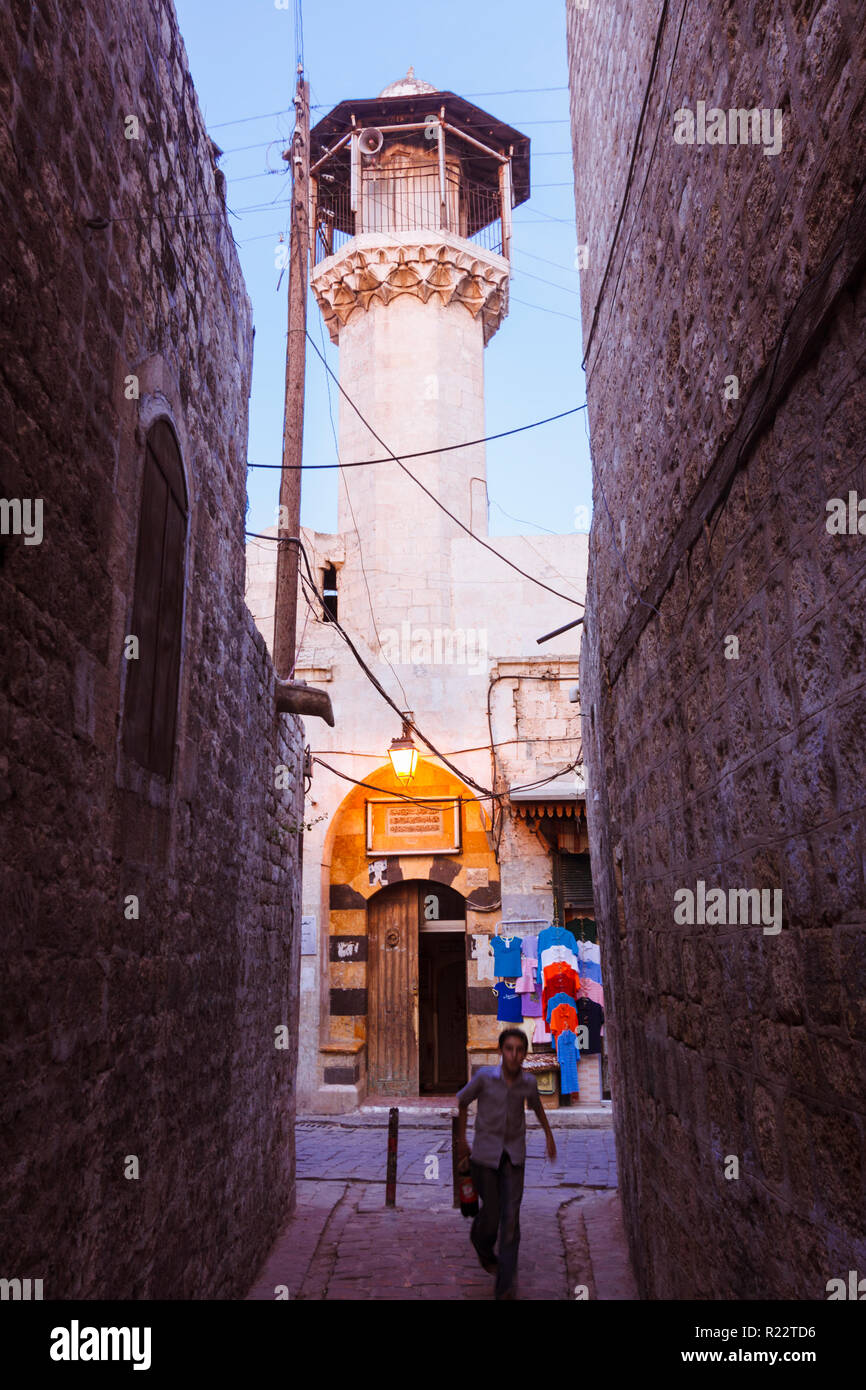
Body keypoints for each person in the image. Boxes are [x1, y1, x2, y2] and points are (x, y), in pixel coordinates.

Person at [456, 1027, 557, 1299]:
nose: (514, 1055)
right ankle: (481, 1241)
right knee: (491, 1213)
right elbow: (462, 1100)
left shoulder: (528, 1083)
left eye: (519, 1050)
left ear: (524, 1054)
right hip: (485, 1157)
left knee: (510, 1218)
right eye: (509, 1049)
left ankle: (505, 1285)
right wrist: (462, 1140)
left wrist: (549, 1135)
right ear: (501, 1051)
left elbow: (537, 1107)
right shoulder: (484, 1078)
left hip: (514, 1156)